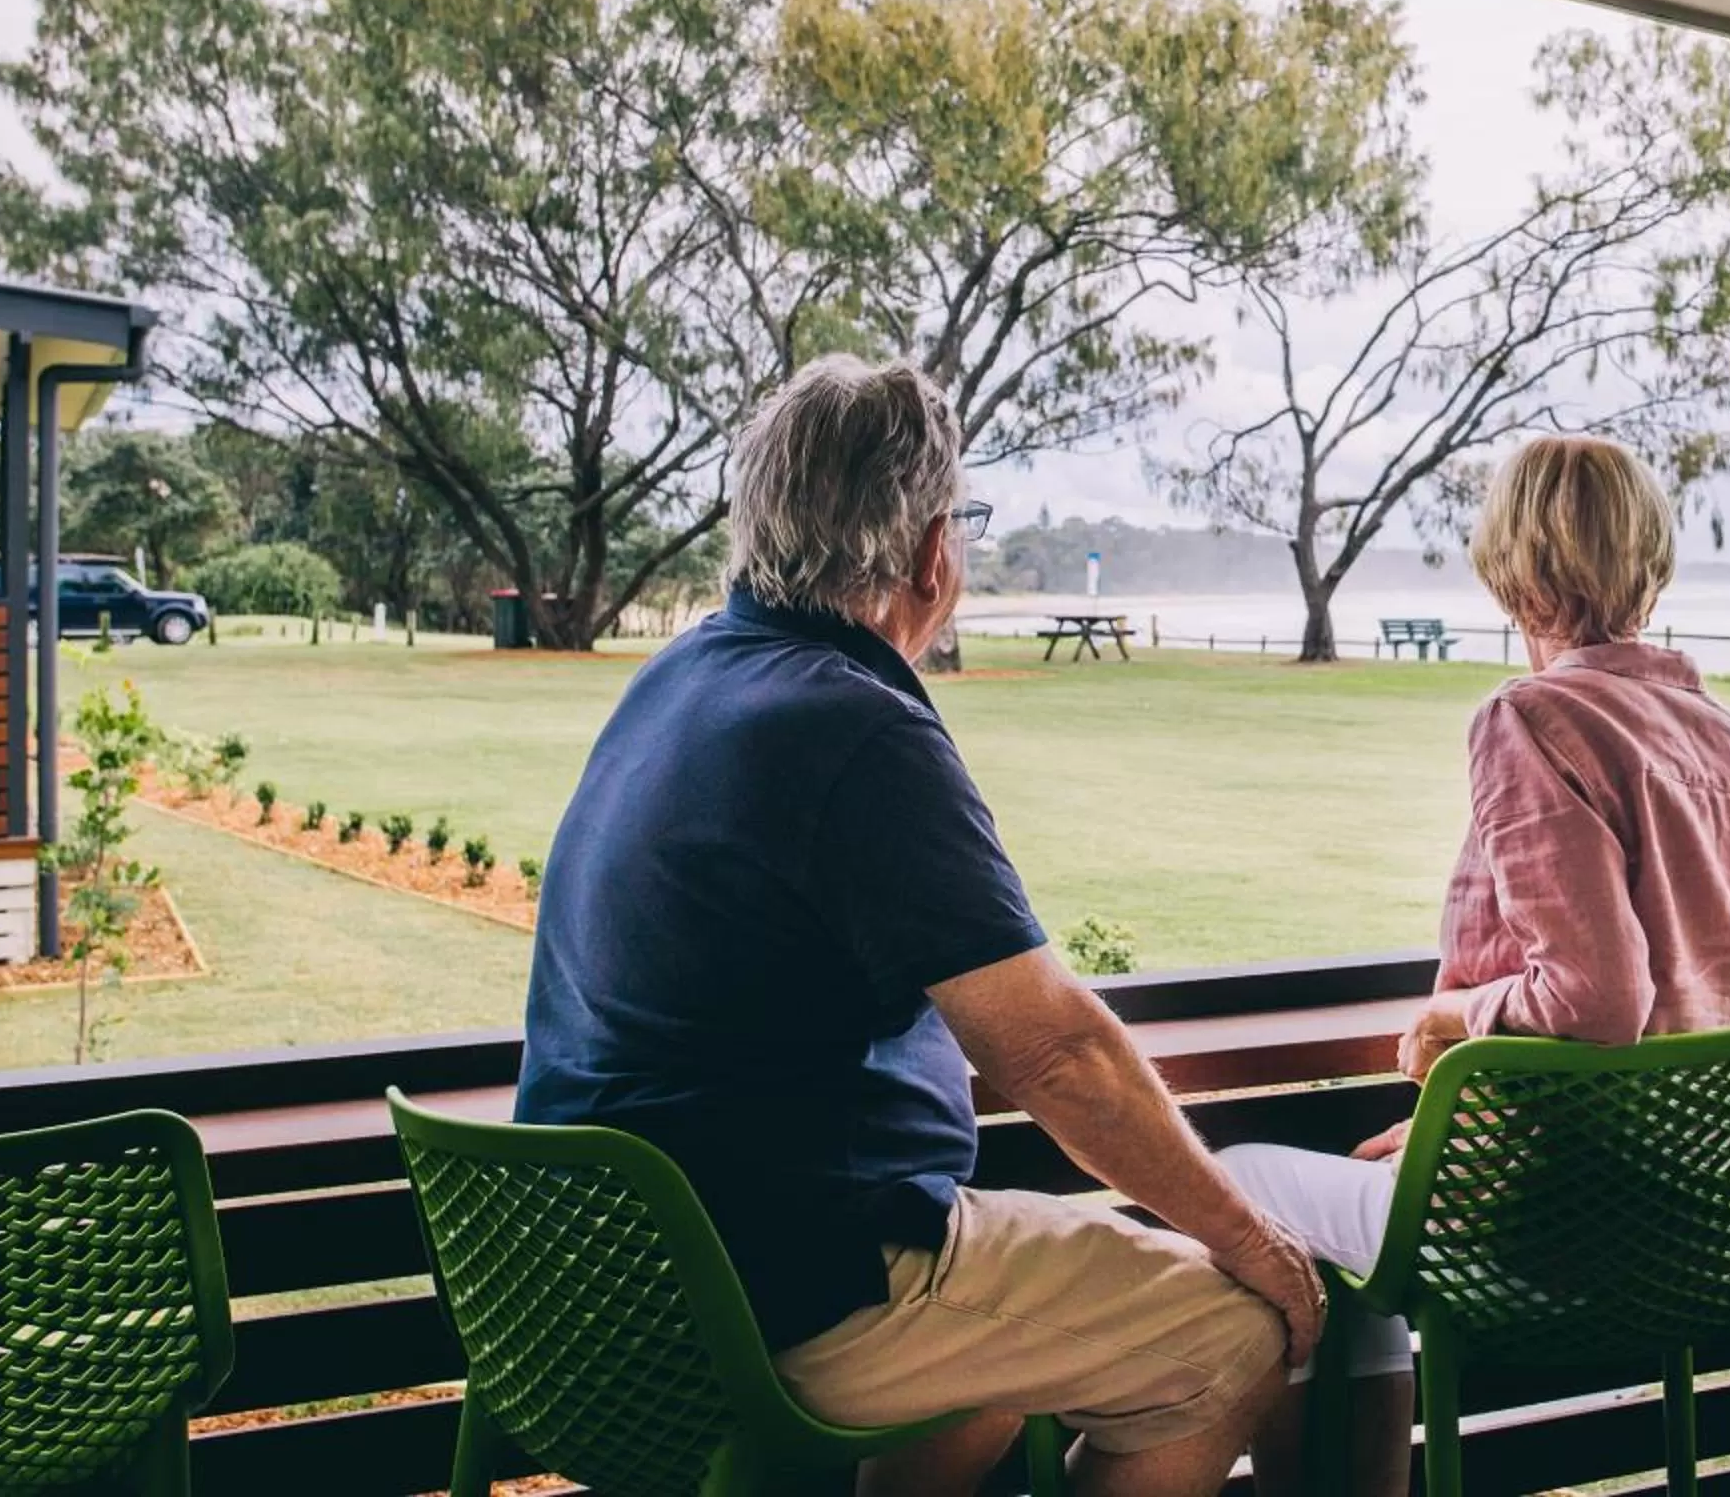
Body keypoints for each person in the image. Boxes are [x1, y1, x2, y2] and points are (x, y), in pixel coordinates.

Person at [517, 356, 1323, 1497]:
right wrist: (1246, 1236)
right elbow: (1053, 1048)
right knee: (1225, 1335)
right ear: (932, 550)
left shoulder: (681, 677)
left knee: (1008, 1336)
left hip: (595, 1282)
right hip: (785, 1287)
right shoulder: (852, 724)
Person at [1220, 435, 1730, 1495]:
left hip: (1556, 1211)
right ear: (1650, 562)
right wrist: (1461, 1122)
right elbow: (1701, 993)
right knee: (1367, 1234)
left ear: (1513, 566)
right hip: (1710, 1215)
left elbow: (1599, 996)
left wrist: (1455, 1022)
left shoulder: (1530, 715)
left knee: (1241, 1188)